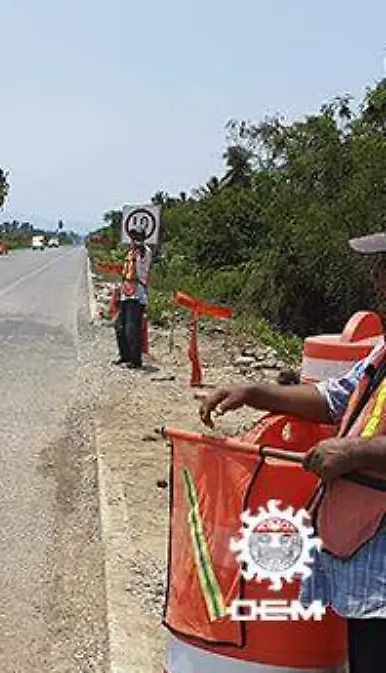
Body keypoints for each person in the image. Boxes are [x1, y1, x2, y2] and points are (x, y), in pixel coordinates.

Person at [198, 231, 386, 672]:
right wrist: (254, 392)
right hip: (367, 559)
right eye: (379, 271)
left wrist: (358, 452)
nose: (378, 283)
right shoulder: (382, 352)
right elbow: (335, 396)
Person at [114, 235, 152, 369]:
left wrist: (139, 245)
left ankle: (136, 360)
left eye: (137, 237)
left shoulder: (145, 252)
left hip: (137, 294)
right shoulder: (130, 252)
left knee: (132, 329)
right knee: (119, 326)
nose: (134, 240)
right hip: (126, 291)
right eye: (133, 237)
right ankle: (125, 355)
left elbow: (141, 253)